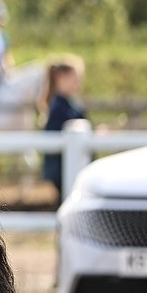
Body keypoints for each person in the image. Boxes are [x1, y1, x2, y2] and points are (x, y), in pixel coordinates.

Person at [40, 55, 89, 198]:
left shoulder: (65, 105)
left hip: (65, 167)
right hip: (63, 168)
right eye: (75, 79)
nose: (78, 84)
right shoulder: (60, 107)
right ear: (61, 78)